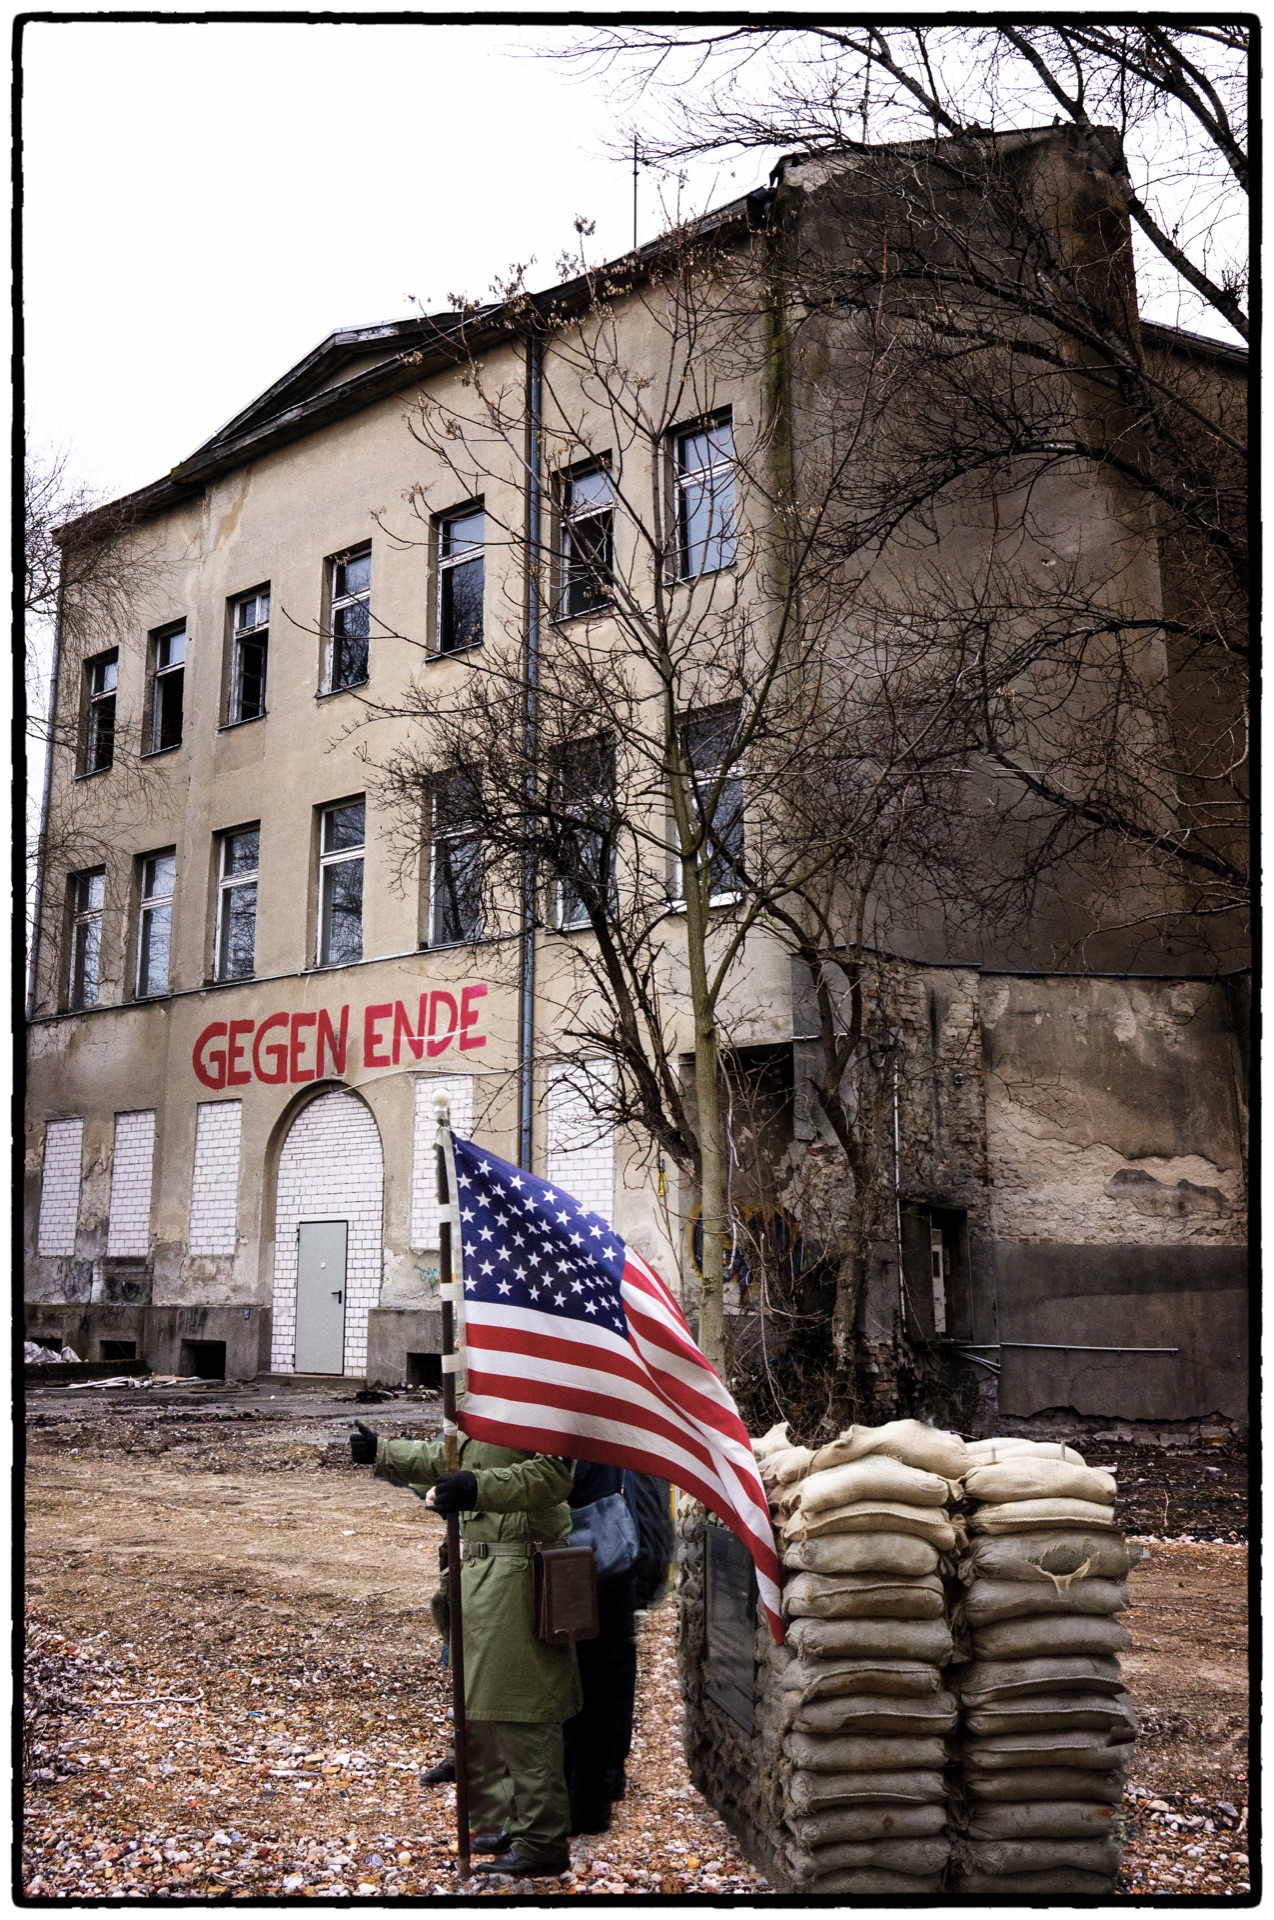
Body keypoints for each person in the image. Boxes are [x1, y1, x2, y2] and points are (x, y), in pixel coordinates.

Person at [349, 1420, 581, 1878]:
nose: (463, 1345)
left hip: (520, 1571)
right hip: (484, 1570)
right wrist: (384, 1452)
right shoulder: (484, 1394)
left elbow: (554, 1477)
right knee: (493, 1705)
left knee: (523, 1708)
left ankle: (542, 1843)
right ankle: (523, 1827)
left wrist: (476, 1487)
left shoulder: (534, 1395)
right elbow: (448, 1459)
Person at [563, 1465, 673, 1834]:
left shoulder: (582, 1426)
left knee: (588, 1679)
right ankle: (598, 1785)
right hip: (617, 1558)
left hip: (589, 1560)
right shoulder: (627, 1423)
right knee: (607, 1678)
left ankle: (586, 1792)